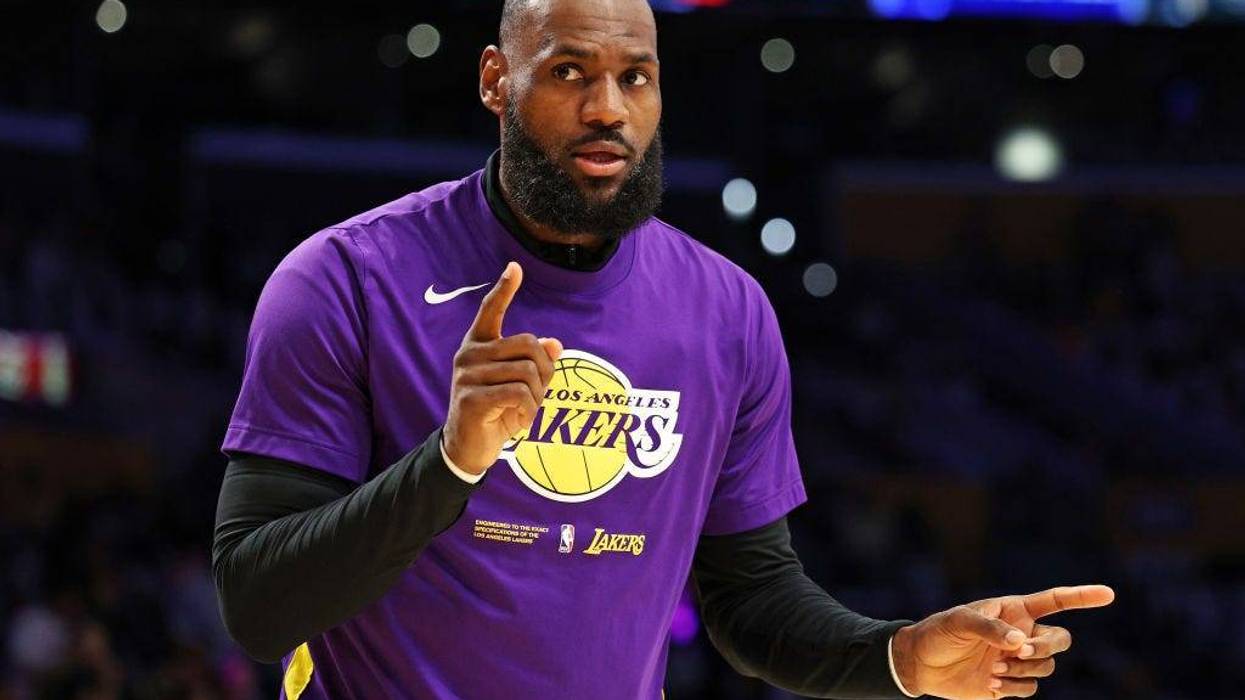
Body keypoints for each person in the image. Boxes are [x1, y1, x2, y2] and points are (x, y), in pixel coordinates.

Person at [211, 0, 1114, 697]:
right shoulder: (344, 279)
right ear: (496, 79)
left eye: (634, 78)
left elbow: (749, 597)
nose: (608, 109)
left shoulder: (726, 312)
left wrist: (896, 657)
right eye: (568, 71)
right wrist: (449, 463)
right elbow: (258, 605)